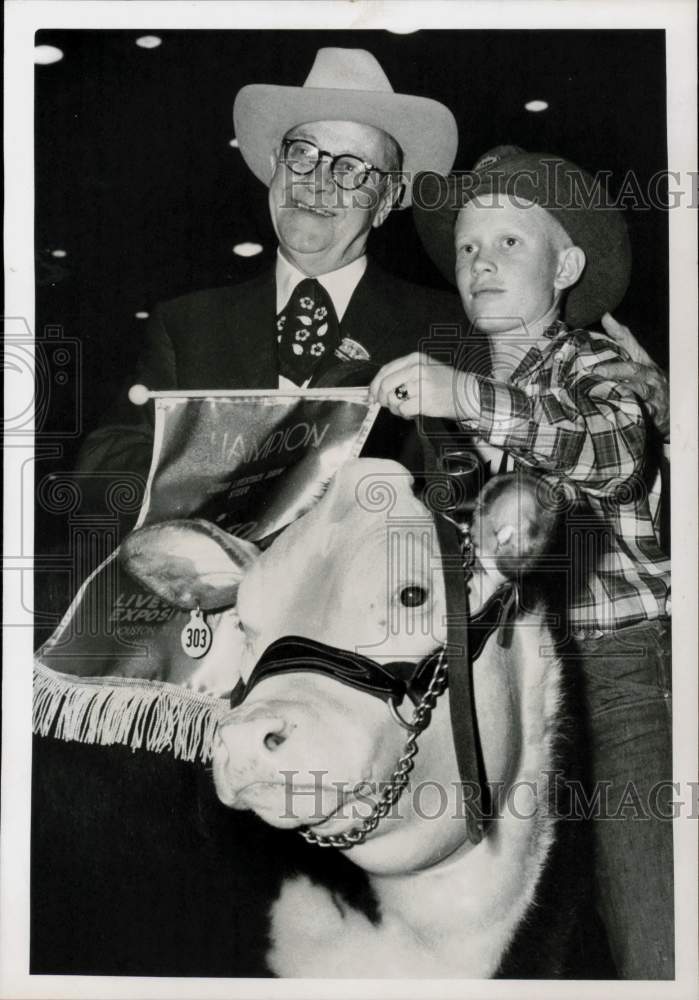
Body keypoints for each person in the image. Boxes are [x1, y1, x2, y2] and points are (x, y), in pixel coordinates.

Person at [369, 146, 673, 979]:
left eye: (509, 243)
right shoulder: (444, 397)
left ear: (565, 265)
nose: (480, 263)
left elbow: (614, 453)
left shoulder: (591, 369)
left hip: (617, 678)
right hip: (494, 680)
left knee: (652, 926)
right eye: (468, 247)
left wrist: (464, 397)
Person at [77, 47, 465, 482]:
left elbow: (472, 485)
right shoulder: (186, 325)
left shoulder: (443, 327)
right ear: (273, 168)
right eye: (302, 153)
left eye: (352, 167)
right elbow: (103, 467)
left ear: (386, 202)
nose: (317, 182)